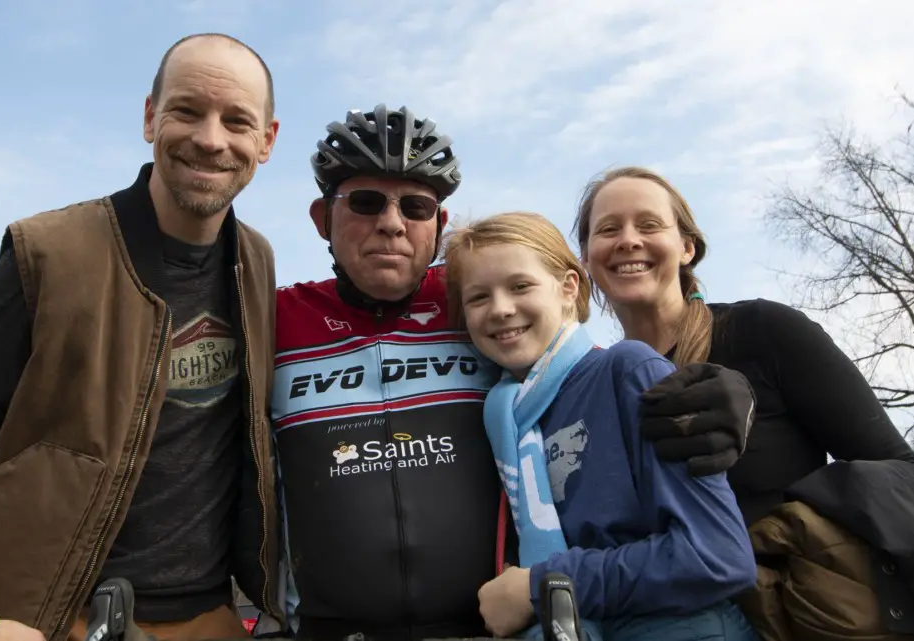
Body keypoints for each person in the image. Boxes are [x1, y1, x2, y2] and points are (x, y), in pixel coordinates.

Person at [264, 105, 759, 641]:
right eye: (364, 202)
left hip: (488, 624)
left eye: (416, 205)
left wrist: (727, 380)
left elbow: (578, 334)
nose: (391, 222)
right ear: (321, 219)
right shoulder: (269, 316)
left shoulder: (470, 301)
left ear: (438, 225)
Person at [0, 33, 282, 641]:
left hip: (209, 617)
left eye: (237, 120)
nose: (211, 138)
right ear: (150, 116)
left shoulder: (257, 264)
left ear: (266, 141)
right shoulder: (48, 252)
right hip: (50, 619)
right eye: (187, 110)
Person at [441, 211, 761, 641]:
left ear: (569, 287)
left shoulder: (626, 371)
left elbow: (716, 555)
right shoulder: (506, 417)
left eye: (521, 286)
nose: (500, 309)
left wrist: (543, 586)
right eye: (478, 298)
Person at [570, 165, 914, 526]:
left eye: (649, 225)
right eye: (609, 229)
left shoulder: (765, 331)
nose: (628, 240)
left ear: (686, 247)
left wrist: (786, 531)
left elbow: (901, 474)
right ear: (585, 257)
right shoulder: (594, 394)